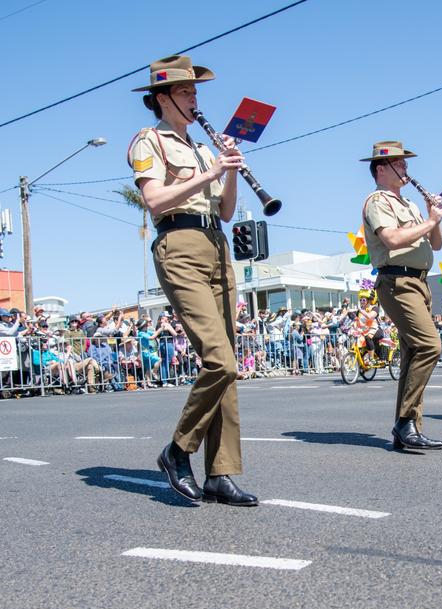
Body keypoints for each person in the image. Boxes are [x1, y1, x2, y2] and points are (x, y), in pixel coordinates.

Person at [130, 54, 256, 506]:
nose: (194, 98)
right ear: (163, 98)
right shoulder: (150, 141)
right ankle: (177, 449)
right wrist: (209, 172)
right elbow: (155, 200)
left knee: (231, 370)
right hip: (179, 244)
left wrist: (232, 172)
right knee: (218, 360)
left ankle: (221, 473)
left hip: (216, 243)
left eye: (195, 91)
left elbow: (224, 210)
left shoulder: (205, 147)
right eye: (186, 92)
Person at [360, 140, 442, 450]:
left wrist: (431, 216)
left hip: (418, 282)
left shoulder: (408, 204)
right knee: (429, 345)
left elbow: (436, 244)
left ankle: (408, 428)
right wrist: (429, 222)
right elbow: (393, 239)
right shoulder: (377, 200)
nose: (406, 168)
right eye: (400, 163)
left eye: (406, 163)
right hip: (397, 280)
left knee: (413, 354)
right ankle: (405, 422)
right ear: (381, 169)